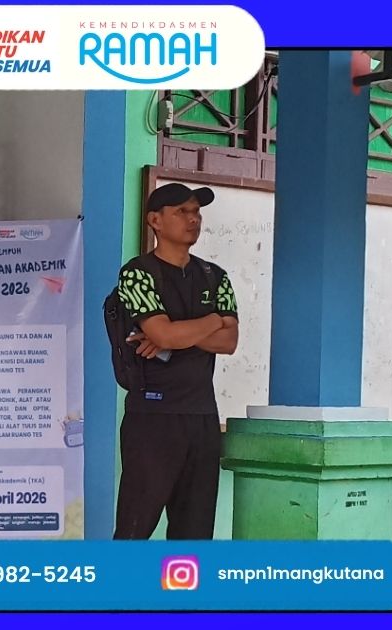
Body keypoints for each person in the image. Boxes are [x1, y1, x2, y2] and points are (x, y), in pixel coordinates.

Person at [113, 182, 239, 540]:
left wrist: (176, 332)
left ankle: (182, 582)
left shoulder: (215, 276)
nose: (192, 219)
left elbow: (229, 341)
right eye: (181, 212)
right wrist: (213, 320)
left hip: (202, 417)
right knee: (135, 527)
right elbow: (165, 335)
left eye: (196, 212)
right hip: (153, 418)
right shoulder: (138, 273)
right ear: (155, 220)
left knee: (194, 532)